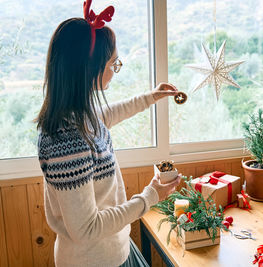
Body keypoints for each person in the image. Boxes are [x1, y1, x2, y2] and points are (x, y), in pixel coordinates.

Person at [36, 1, 180, 266]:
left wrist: (152, 96)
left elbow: (108, 115)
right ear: (89, 69)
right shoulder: (66, 139)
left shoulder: (79, 113)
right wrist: (150, 196)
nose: (116, 69)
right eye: (114, 63)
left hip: (116, 249)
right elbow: (86, 229)